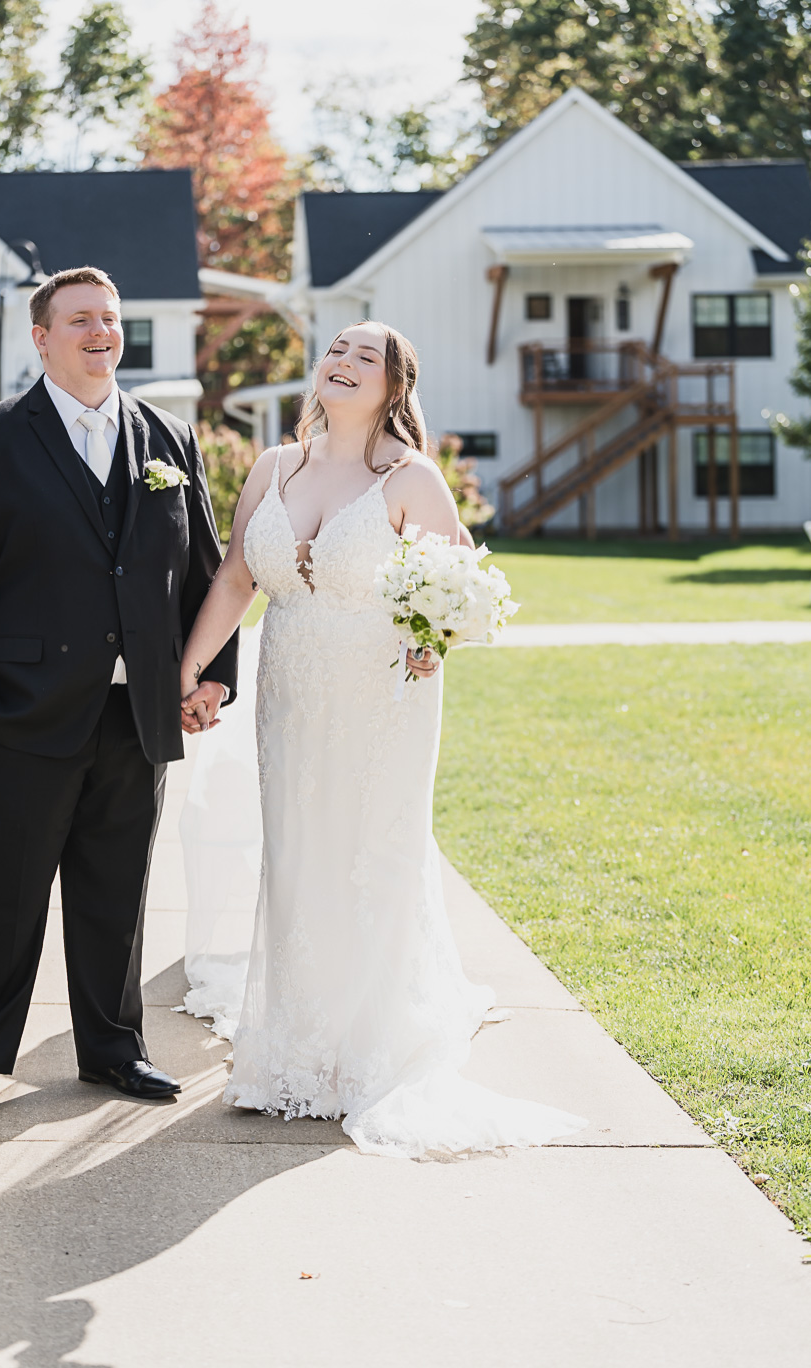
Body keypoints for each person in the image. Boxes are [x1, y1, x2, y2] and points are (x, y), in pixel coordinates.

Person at [179, 320, 585, 1158]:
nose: (345, 362)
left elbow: (458, 583)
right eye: (336, 349)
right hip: (290, 685)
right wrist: (183, 672)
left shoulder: (410, 477)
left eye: (368, 355)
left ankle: (367, 1047)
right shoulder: (272, 468)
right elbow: (234, 577)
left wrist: (428, 640)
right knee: (295, 851)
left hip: (383, 695)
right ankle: (291, 1048)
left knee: (371, 850)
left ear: (394, 386)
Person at [0, 266, 237, 1117]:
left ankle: (112, 1052)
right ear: (42, 337)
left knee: (116, 893)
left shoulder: (169, 438)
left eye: (111, 318)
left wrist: (211, 677)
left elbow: (207, 571)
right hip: (17, 712)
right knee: (0, 895)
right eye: (81, 319)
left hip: (136, 715)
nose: (101, 332)